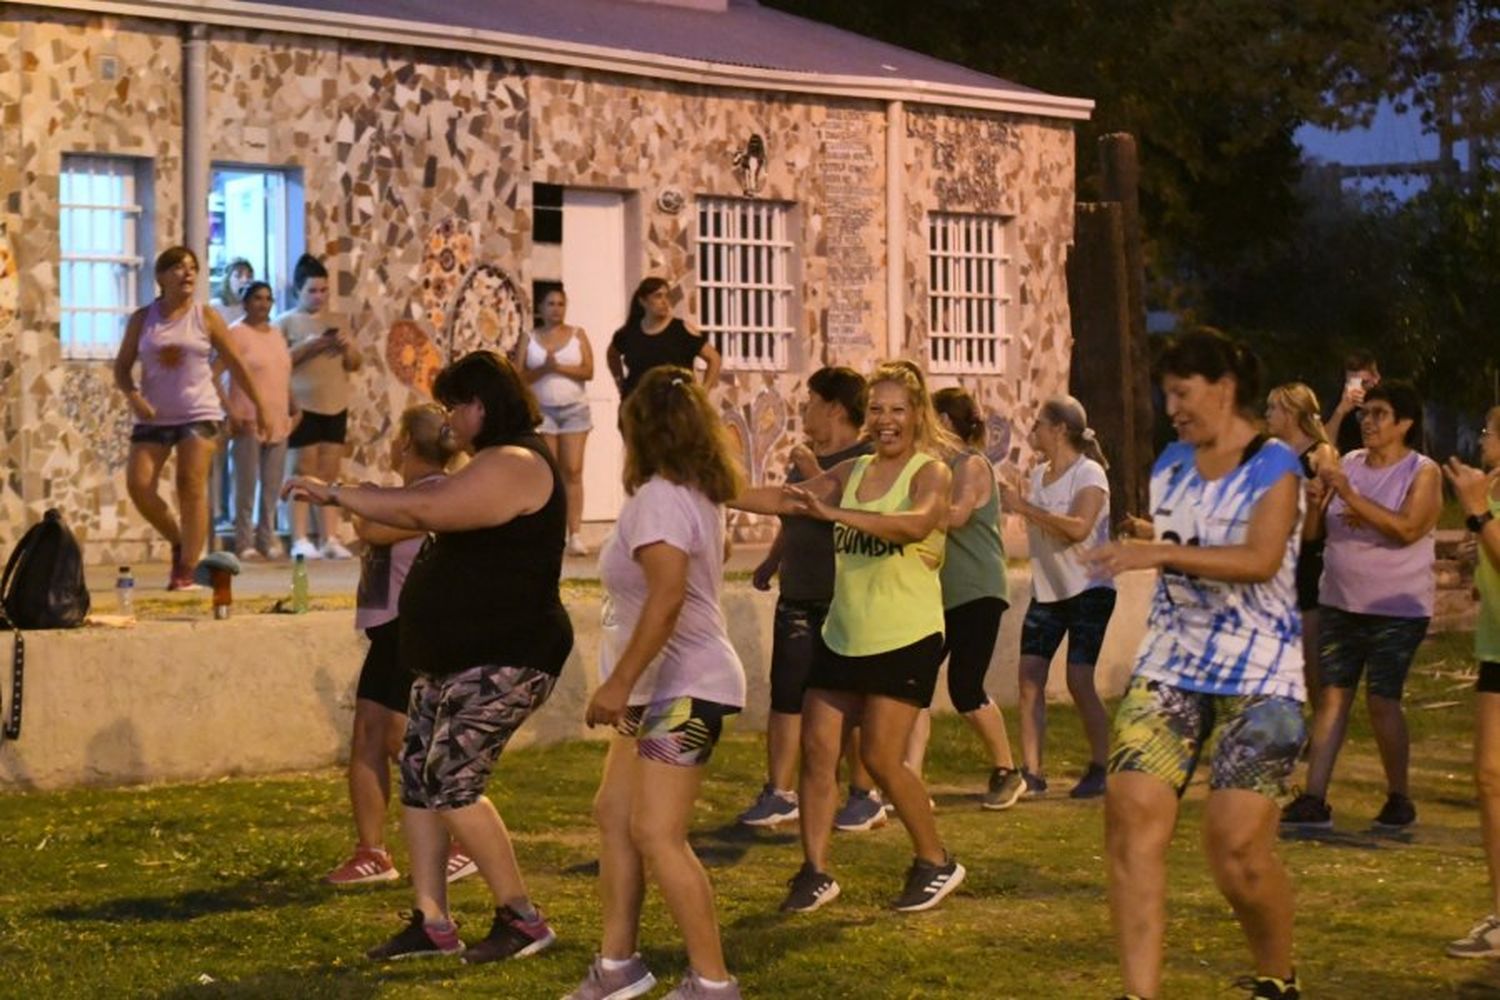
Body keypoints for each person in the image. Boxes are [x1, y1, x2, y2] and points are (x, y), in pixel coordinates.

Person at [285, 350, 573, 965]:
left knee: (452, 783)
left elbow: (423, 510)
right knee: (419, 779)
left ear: (479, 406)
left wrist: (336, 492)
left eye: (452, 407)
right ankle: (432, 920)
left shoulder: (518, 462)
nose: (447, 422)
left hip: (508, 651)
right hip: (453, 653)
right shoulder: (489, 461)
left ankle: (522, 918)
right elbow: (410, 514)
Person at [1084, 329, 1306, 1000]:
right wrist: (1149, 542)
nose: (1171, 407)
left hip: (1263, 676)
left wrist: (1162, 555)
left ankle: (1278, 977)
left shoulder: (1275, 466)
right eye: (1166, 394)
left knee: (1234, 849)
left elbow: (1259, 559)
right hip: (1173, 665)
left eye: (1181, 392)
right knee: (1131, 814)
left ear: (1223, 388)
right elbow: (1189, 539)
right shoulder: (1172, 462)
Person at [733, 361, 966, 915]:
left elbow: (915, 523)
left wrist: (835, 512)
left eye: (897, 410)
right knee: (818, 753)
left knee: (884, 761)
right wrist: (712, 487)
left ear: (916, 416)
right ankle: (814, 872)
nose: (886, 421)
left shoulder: (929, 471)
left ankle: (935, 861)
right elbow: (791, 499)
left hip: (905, 636)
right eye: (878, 410)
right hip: (844, 632)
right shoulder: (854, 469)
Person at [568, 365, 746, 1000]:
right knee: (614, 813)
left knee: (656, 833)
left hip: (687, 686)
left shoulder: (660, 500)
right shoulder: (687, 492)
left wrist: (616, 682)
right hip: (661, 688)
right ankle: (618, 965)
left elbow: (666, 600)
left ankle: (712, 982)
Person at [323, 402, 471, 887]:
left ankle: (462, 840)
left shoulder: (435, 495)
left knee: (400, 739)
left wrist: (356, 498)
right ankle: (372, 853)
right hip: (387, 630)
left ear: (406, 443)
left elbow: (373, 528)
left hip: (415, 630)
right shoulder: (404, 493)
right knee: (368, 733)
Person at [1282, 380, 1439, 832]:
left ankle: (1399, 797)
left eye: (1379, 414)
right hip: (1340, 601)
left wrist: (1352, 497)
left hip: (1397, 608)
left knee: (1381, 700)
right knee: (1332, 697)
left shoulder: (1421, 472)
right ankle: (1314, 799)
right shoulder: (1348, 463)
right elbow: (1314, 535)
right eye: (1364, 414)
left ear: (1404, 424)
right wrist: (1316, 505)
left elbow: (1408, 529)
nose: (1367, 422)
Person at [737, 367, 886, 831]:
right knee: (787, 694)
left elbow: (850, 515)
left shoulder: (865, 458)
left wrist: (811, 471)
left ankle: (864, 794)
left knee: (853, 701)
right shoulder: (804, 458)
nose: (804, 411)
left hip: (844, 600)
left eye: (811, 402)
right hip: (798, 595)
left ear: (835, 408)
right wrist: (771, 561)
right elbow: (792, 510)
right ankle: (779, 792)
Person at [113, 246, 269, 590]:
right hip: (153, 416)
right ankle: (179, 540)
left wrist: (259, 407)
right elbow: (122, 369)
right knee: (139, 485)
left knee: (190, 483)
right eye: (178, 268)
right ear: (160, 277)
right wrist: (135, 398)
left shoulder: (206, 316)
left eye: (192, 268)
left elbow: (237, 364)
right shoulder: (143, 318)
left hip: (200, 412)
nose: (187, 273)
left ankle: (186, 570)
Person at [901, 386, 1024, 810]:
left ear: (948, 424)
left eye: (931, 421)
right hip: (942, 596)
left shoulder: (971, 465)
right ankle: (910, 778)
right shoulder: (939, 467)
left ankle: (1008, 770)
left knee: (965, 687)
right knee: (914, 681)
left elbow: (957, 514)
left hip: (978, 592)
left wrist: (907, 513)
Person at [998, 394, 1115, 801]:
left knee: (1079, 680)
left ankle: (1102, 766)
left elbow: (1079, 527)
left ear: (1060, 430)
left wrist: (1024, 508)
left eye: (1039, 426)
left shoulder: (1090, 474)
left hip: (1090, 589)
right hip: (1048, 592)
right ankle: (1032, 772)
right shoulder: (1038, 475)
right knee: (1029, 679)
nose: (1033, 433)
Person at [1442, 414, 1500, 958]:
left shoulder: (1488, 496)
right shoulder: (1493, 486)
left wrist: (1479, 513)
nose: (1483, 439)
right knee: (1488, 777)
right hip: (1496, 647)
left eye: (1490, 431)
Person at [280, 253, 361, 561]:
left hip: (334, 403)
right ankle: (299, 537)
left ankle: (330, 536)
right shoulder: (285, 322)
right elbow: (279, 363)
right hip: (303, 404)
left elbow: (355, 363)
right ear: (298, 290)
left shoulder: (337, 322)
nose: (319, 297)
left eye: (324, 290)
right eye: (312, 291)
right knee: (302, 469)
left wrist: (346, 346)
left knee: (329, 472)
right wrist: (310, 346)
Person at [1265, 383, 1338, 698]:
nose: (1266, 415)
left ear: (1291, 413)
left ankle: (1323, 730)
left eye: (1272, 408)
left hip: (1309, 559)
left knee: (1312, 663)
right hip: (1276, 557)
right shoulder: (1271, 453)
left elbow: (1320, 521)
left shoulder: (1321, 454)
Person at [217, 281, 296, 560]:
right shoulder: (236, 333)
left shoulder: (276, 334)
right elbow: (214, 373)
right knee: (246, 485)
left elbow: (283, 373)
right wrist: (230, 411)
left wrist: (293, 409)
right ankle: (243, 542)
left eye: (268, 299)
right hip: (247, 419)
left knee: (272, 487)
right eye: (258, 299)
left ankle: (267, 539)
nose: (264, 304)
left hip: (277, 419)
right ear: (246, 302)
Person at [515, 287, 593, 556]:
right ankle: (551, 533)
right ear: (541, 308)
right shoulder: (530, 338)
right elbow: (518, 375)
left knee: (572, 470)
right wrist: (543, 369)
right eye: (551, 304)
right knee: (549, 471)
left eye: (561, 303)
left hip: (574, 410)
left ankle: (576, 534)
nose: (556, 309)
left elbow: (588, 370)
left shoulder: (577, 335)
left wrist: (557, 367)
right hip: (542, 410)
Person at [606, 277, 721, 399]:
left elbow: (714, 358)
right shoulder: (629, 333)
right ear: (643, 301)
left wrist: (703, 391)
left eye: (667, 296)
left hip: (676, 407)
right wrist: (620, 382)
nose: (665, 301)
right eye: (658, 296)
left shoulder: (682, 330)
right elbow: (612, 354)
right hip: (638, 406)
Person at [1322, 349, 1380, 455]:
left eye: (1364, 383)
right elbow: (1325, 443)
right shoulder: (1337, 401)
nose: (1359, 388)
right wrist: (1340, 412)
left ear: (1376, 379)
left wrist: (1367, 409)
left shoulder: (1385, 401)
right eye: (1352, 383)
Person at [211, 257, 254, 326]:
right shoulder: (215, 306)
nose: (244, 280)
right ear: (228, 279)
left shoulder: (251, 309)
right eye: (238, 276)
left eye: (249, 276)